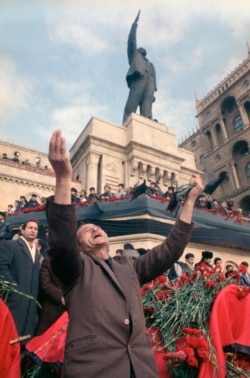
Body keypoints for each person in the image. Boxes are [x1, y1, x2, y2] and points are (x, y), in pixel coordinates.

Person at [47, 129, 204, 378]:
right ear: (79, 247)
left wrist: (190, 202)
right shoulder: (76, 270)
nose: (95, 228)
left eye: (97, 227)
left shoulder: (127, 266)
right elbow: (62, 241)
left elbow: (170, 250)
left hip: (139, 369)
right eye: (86, 230)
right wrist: (64, 179)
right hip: (94, 370)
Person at [0, 220, 40, 341]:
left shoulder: (36, 252)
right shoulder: (11, 245)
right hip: (14, 299)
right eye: (30, 228)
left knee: (25, 337)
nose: (33, 230)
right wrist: (13, 288)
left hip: (30, 300)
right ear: (22, 230)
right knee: (9, 334)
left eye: (35, 229)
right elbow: (2, 266)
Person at [123, 10, 157, 124]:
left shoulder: (150, 63)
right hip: (139, 78)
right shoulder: (134, 55)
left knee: (147, 103)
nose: (142, 49)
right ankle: (127, 120)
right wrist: (134, 25)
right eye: (140, 48)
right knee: (133, 100)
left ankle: (148, 120)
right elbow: (131, 40)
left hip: (149, 81)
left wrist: (154, 89)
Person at [35, 256, 65, 336]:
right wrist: (60, 296)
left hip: (69, 313)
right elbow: (45, 284)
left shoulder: (78, 262)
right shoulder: (48, 261)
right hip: (51, 311)